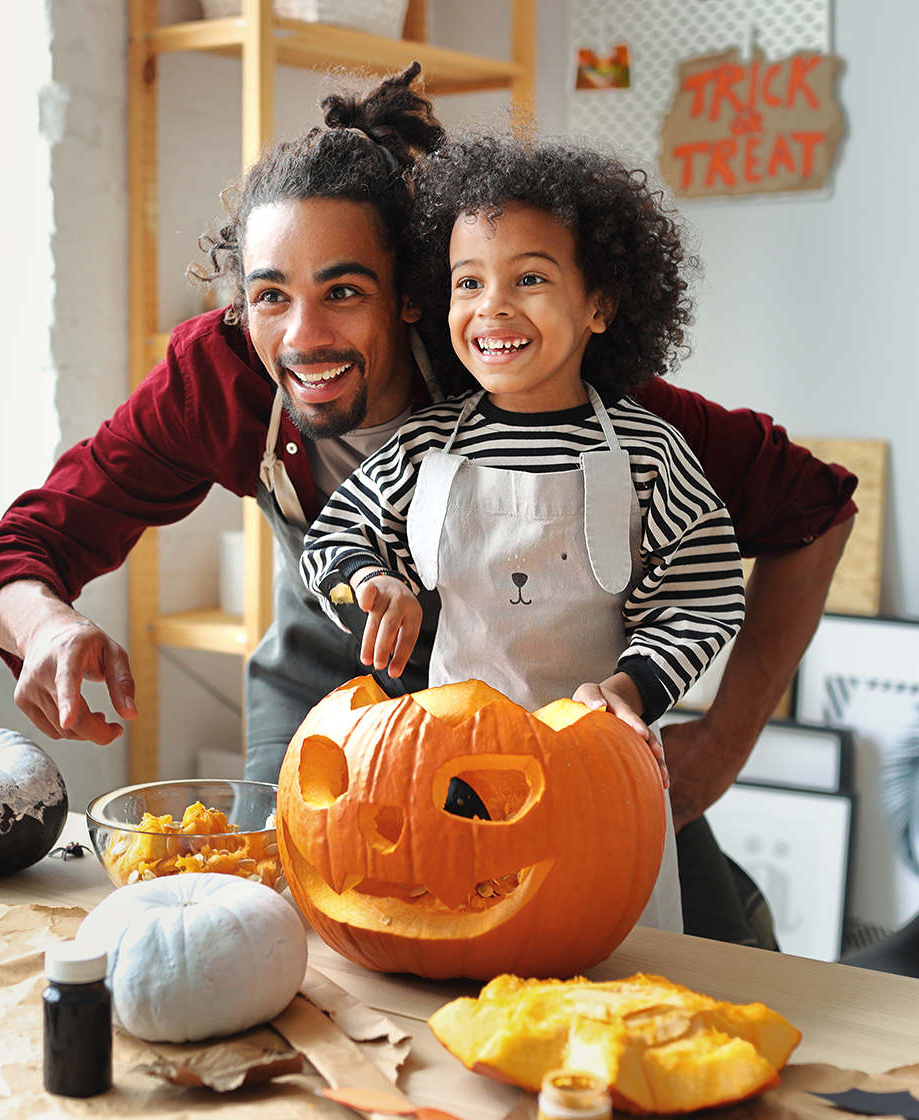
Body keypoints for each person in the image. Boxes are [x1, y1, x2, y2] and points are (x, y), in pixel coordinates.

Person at [0, 64, 857, 949]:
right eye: (269, 296)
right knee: (280, 923)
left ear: (413, 296)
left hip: (554, 707)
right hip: (330, 687)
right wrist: (46, 625)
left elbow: (812, 510)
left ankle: (733, 903)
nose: (302, 336)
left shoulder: (538, 376)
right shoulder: (221, 376)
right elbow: (11, 557)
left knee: (689, 945)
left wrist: (722, 743)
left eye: (344, 290)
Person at [301, 132, 743, 753]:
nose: (493, 307)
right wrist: (372, 581)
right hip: (450, 764)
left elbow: (703, 598)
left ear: (599, 304)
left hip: (595, 761)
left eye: (529, 278)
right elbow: (334, 538)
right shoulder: (424, 448)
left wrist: (630, 690)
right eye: (469, 283)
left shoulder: (651, 455)